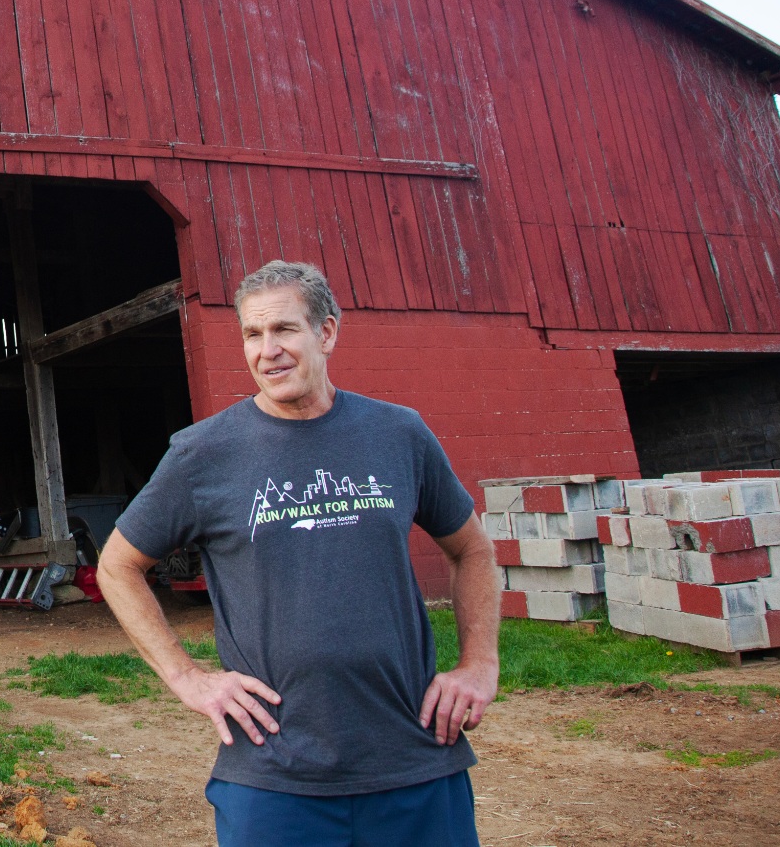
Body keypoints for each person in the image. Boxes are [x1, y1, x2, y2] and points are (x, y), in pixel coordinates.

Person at [98, 260, 498, 846]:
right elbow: (117, 565)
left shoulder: (398, 434)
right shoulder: (202, 455)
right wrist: (186, 677)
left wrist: (479, 664)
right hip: (272, 775)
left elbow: (473, 552)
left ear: (327, 333)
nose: (268, 351)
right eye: (252, 335)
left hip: (414, 758)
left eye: (284, 330)